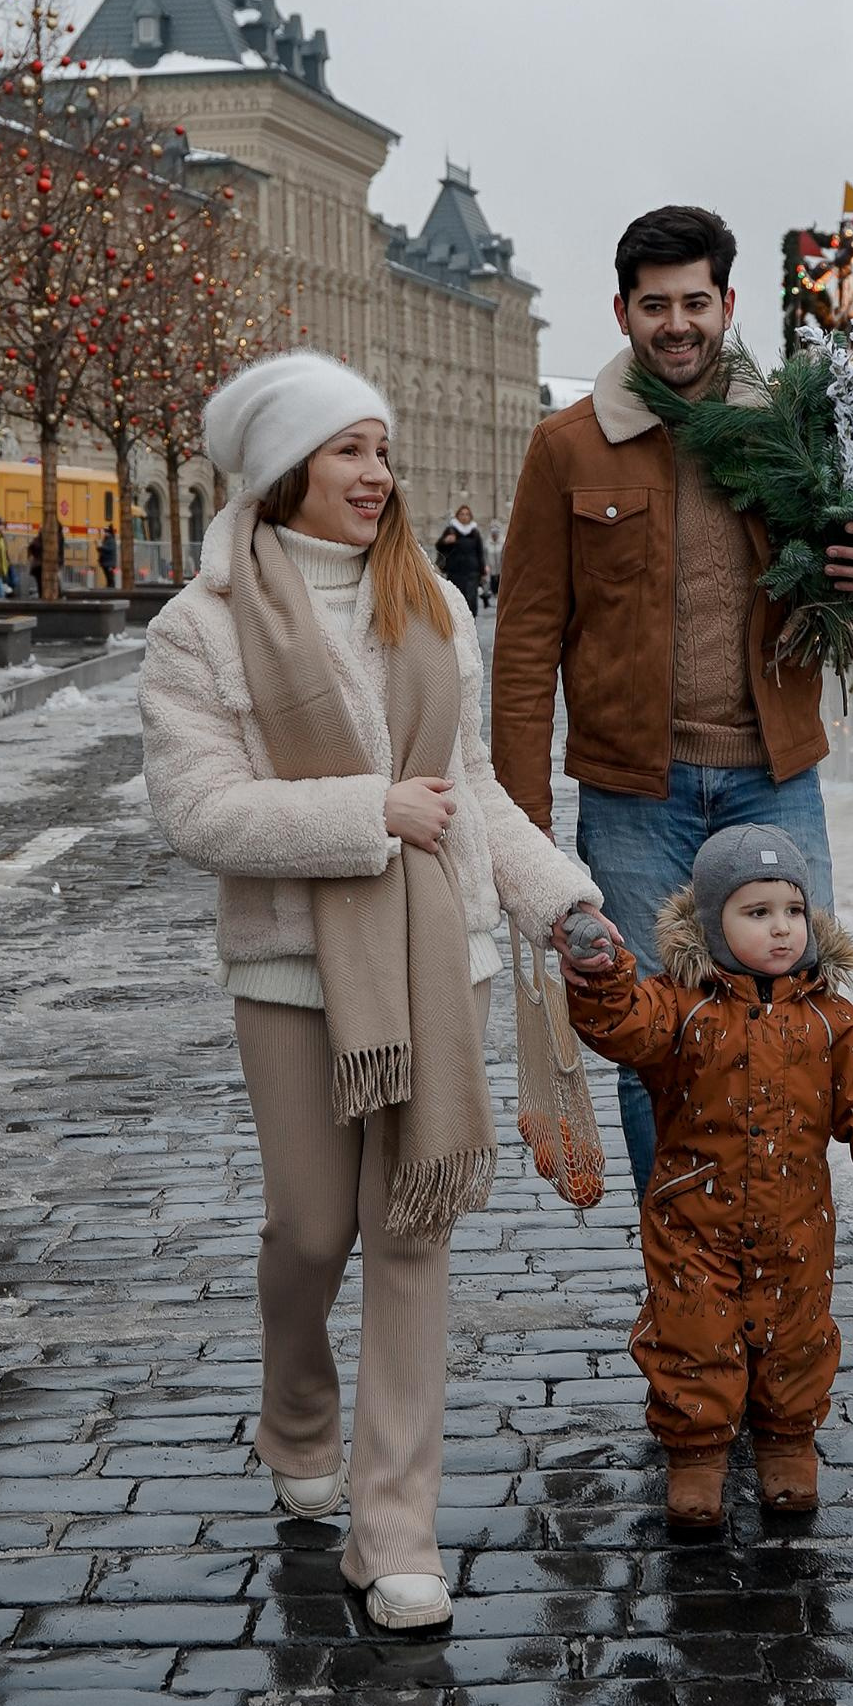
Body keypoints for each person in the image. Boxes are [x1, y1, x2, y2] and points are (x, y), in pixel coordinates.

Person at [143, 350, 598, 1634]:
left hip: (432, 959)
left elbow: (474, 794)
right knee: (309, 1230)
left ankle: (393, 1526)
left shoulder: (432, 605)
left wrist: (553, 895)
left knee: (412, 1230)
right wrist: (366, 812)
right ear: (283, 468)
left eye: (381, 449)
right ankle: (296, 1408)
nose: (376, 474)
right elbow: (198, 810)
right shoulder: (203, 624)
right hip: (292, 974)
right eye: (349, 450)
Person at [493, 201, 853, 1198]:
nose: (677, 322)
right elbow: (524, 643)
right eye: (656, 305)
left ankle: (774, 1256)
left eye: (695, 300)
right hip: (631, 796)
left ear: (728, 303)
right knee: (656, 1036)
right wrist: (522, 835)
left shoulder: (792, 433)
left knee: (792, 1017)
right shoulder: (568, 447)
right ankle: (681, 1263)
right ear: (621, 311)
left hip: (771, 782)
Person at [556, 826, 853, 1532]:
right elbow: (620, 1027)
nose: (779, 929)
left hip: (795, 1221)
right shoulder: (680, 1005)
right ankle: (697, 1457)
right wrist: (604, 972)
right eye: (755, 912)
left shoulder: (829, 1018)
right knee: (692, 1335)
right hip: (692, 1219)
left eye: (791, 911)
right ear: (711, 924)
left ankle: (787, 1448)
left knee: (795, 1337)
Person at [434, 501, 490, 617]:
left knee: (471, 598)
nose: (464, 517)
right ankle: (459, 623)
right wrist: (446, 541)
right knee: (457, 598)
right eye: (462, 514)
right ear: (458, 516)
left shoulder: (474, 532)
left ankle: (471, 621)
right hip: (455, 571)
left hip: (472, 571)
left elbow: (480, 552)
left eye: (467, 514)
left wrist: (483, 571)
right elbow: (439, 546)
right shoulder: (451, 530)